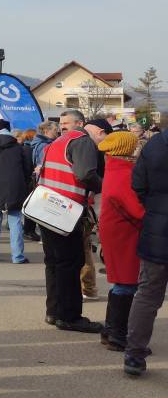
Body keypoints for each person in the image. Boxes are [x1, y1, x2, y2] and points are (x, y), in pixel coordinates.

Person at [37, 109, 105, 333]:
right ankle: (70, 317)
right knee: (70, 262)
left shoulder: (57, 142)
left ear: (79, 123)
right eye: (62, 122)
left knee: (54, 263)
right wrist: (104, 186)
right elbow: (86, 174)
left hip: (46, 206)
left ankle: (54, 312)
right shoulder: (81, 141)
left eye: (67, 122)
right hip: (65, 209)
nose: (63, 126)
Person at [126, 120, 168, 376]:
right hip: (157, 227)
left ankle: (134, 354)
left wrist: (154, 207)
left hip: (157, 230)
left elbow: (138, 185)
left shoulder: (154, 146)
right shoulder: (153, 145)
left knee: (147, 295)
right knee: (147, 295)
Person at [96, 131, 142, 352]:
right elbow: (137, 210)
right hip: (124, 233)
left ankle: (111, 330)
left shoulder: (115, 168)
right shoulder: (124, 173)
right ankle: (117, 334)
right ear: (128, 149)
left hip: (118, 231)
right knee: (126, 282)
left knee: (122, 282)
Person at [0, 119, 34, 263]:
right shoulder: (18, 147)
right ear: (8, 130)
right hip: (15, 186)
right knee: (15, 220)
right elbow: (27, 169)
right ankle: (17, 256)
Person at [80, 117, 112, 301]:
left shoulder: (85, 145)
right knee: (84, 247)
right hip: (89, 203)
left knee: (84, 247)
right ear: (100, 132)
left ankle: (88, 288)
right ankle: (89, 289)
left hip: (87, 204)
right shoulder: (91, 147)